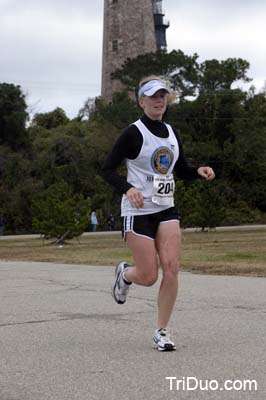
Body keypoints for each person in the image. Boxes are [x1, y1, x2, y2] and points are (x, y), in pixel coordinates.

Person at [102, 76, 215, 351]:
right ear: (142, 101)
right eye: (152, 96)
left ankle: (161, 331)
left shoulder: (172, 132)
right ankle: (126, 274)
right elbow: (106, 169)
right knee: (149, 275)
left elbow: (180, 170)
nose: (159, 100)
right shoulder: (134, 133)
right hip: (138, 210)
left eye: (162, 95)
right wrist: (128, 188)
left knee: (172, 268)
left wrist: (198, 172)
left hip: (166, 208)